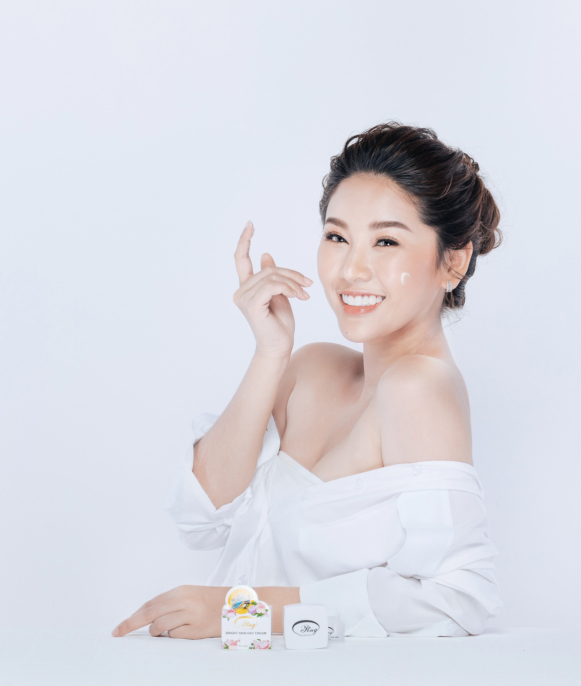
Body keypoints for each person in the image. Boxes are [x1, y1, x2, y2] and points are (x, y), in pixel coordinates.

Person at [112, 121, 505, 640]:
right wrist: (270, 353)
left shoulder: (418, 387)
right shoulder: (312, 369)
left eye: (386, 241)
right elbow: (200, 518)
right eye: (337, 237)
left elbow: (456, 600)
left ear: (452, 261)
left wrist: (241, 609)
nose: (351, 270)